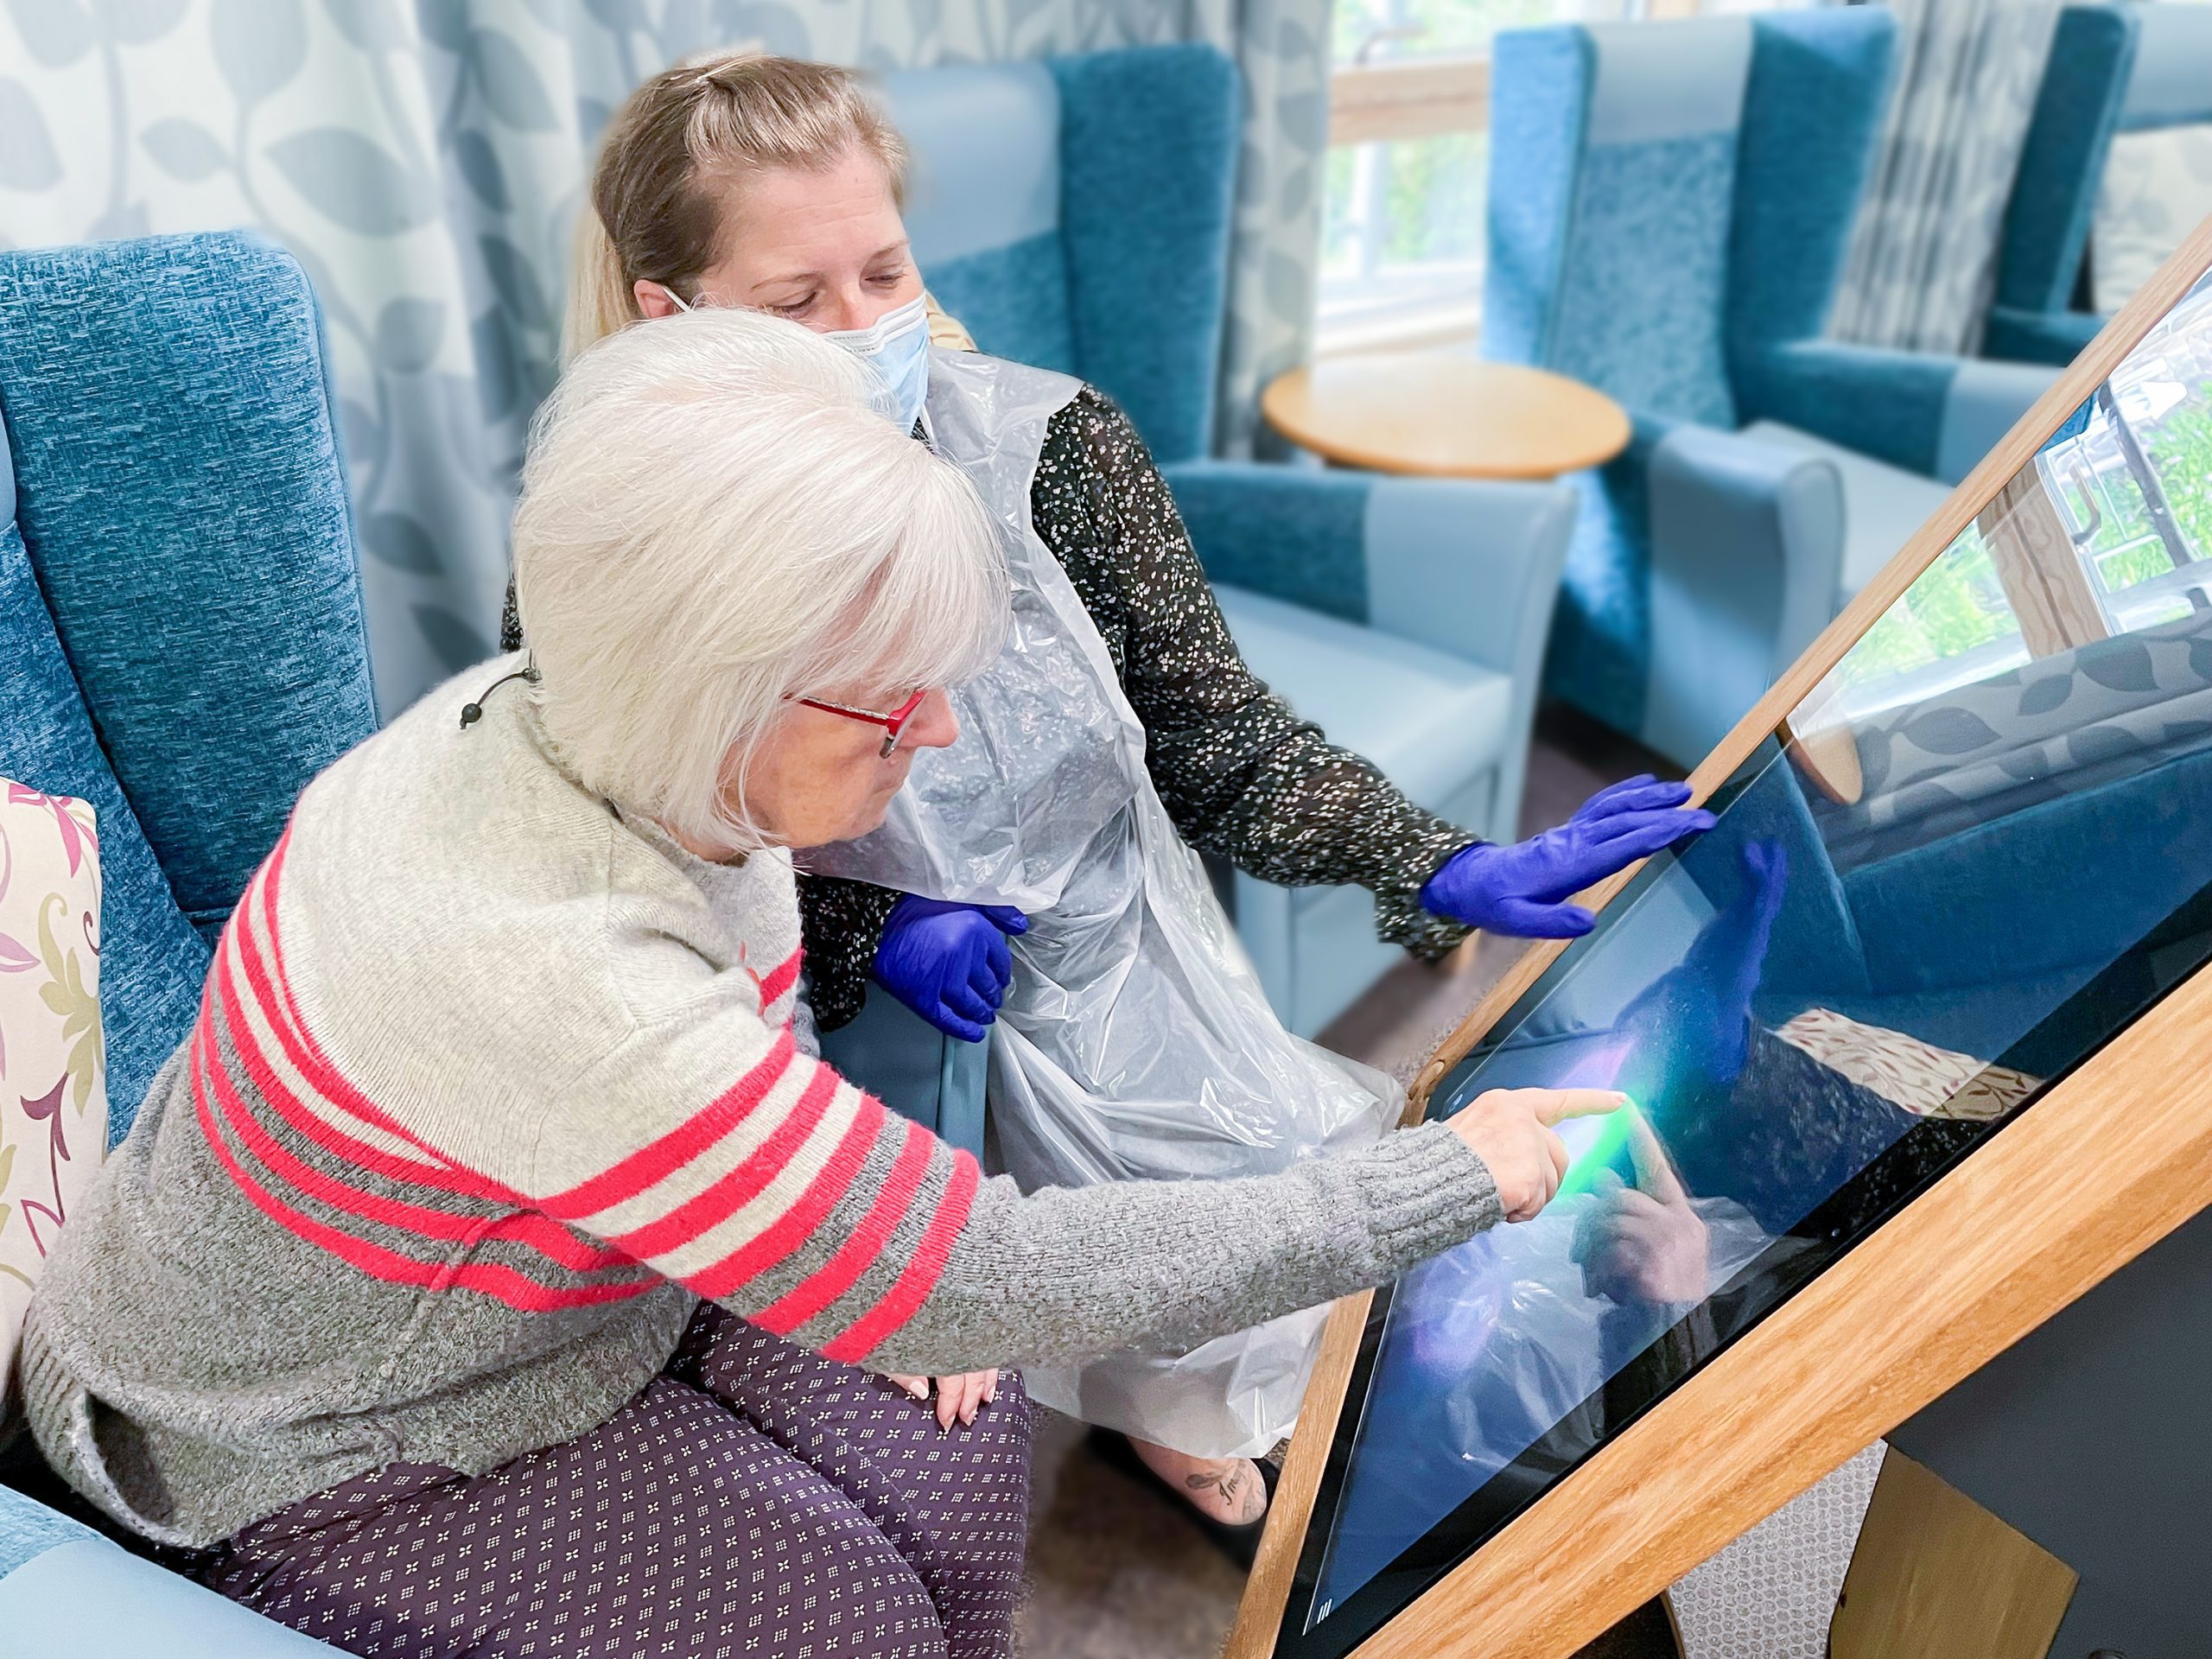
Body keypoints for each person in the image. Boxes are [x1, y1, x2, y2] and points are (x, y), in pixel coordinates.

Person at [23, 308, 1621, 1659]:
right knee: (846, 1605)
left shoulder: (615, 739)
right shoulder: (541, 955)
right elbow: (976, 1259)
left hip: (549, 1282)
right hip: (287, 1438)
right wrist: (1437, 1180)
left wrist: (899, 1273)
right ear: (717, 685)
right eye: (885, 709)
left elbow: (774, 1054)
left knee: (963, 1422)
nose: (933, 736)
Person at [508, 49, 1714, 1541]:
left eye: (885, 270)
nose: (866, 327)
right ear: (671, 318)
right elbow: (615, 873)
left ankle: (1179, 1420)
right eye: (797, 301)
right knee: (1014, 1295)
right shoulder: (607, 543)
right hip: (849, 1036)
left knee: (1264, 1250)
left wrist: (1441, 862)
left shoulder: (1049, 453)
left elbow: (1215, 737)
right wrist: (866, 932)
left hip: (1117, 956)